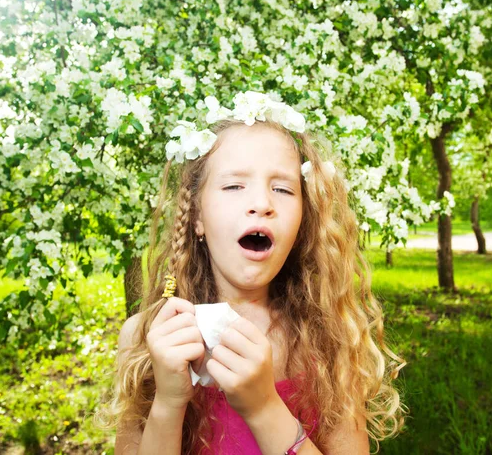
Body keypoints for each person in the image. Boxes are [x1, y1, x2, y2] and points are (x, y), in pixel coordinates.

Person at [104, 92, 407, 454]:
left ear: (302, 220)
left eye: (282, 188)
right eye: (234, 186)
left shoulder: (327, 338)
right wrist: (169, 402)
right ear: (197, 217)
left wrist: (264, 408)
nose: (262, 204)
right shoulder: (142, 337)